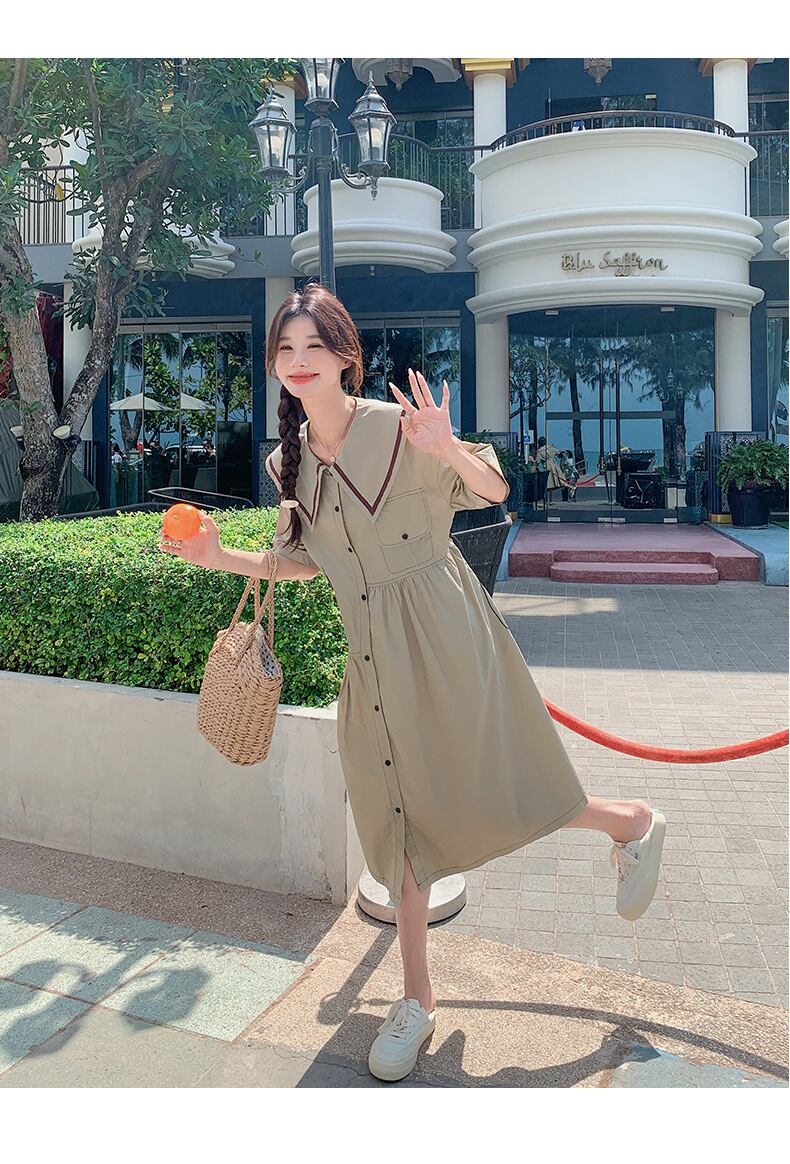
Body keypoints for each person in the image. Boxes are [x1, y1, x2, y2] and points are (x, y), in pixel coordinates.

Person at [159, 284, 665, 1083]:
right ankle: (418, 1000)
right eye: (285, 349)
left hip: (445, 638)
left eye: (313, 347)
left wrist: (448, 446)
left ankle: (629, 822)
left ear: (345, 356)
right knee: (394, 820)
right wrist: (218, 556)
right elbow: (300, 562)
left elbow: (494, 491)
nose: (298, 362)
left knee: (491, 787)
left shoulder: (400, 427)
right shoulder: (285, 461)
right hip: (370, 658)